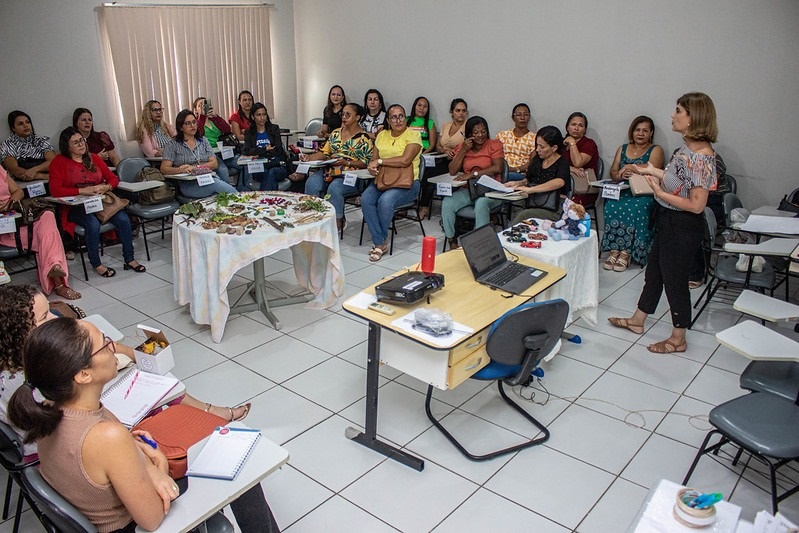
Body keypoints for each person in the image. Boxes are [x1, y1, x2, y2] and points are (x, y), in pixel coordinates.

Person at [8, 317, 279, 532]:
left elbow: (125, 437)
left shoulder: (48, 409)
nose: (113, 346)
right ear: (83, 374)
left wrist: (146, 466)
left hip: (112, 507)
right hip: (135, 524)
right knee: (241, 468)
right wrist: (158, 466)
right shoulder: (104, 437)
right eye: (104, 344)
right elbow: (150, 520)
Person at [0, 285, 250, 458]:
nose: (55, 319)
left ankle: (213, 414)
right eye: (45, 317)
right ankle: (213, 419)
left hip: (72, 444)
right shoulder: (35, 384)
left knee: (155, 389)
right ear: (18, 331)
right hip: (74, 450)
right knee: (156, 393)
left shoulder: (21, 368)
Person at [609, 92, 718, 354]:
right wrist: (650, 171)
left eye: (679, 111)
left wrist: (659, 193)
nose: (673, 115)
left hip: (683, 225)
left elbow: (696, 204)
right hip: (668, 219)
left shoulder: (701, 156)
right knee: (654, 272)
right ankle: (638, 320)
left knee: (675, 281)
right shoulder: (687, 148)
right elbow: (676, 177)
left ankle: (678, 338)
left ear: (693, 118)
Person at [49, 127, 144, 278]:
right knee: (92, 224)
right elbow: (55, 190)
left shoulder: (94, 158)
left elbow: (113, 179)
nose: (81, 145)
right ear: (66, 146)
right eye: (75, 143)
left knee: (123, 219)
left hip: (101, 203)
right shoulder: (59, 162)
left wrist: (106, 186)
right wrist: (82, 191)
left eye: (82, 141)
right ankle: (97, 264)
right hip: (77, 207)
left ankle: (129, 259)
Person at [0, 168, 79, 299]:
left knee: (47, 216)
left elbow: (18, 191)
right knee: (46, 238)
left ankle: (55, 268)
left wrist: (10, 203)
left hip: (18, 219)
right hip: (5, 231)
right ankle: (58, 279)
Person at [602, 116, 665, 272]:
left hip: (645, 192)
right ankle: (615, 250)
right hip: (623, 189)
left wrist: (632, 167)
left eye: (645, 130)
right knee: (611, 205)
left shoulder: (656, 149)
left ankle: (627, 252)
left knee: (638, 207)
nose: (640, 133)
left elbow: (653, 167)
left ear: (651, 133)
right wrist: (620, 175)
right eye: (637, 130)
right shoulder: (622, 148)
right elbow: (614, 172)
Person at [362, 104, 422, 262]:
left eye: (401, 116)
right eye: (394, 117)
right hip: (383, 180)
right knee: (366, 199)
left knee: (385, 201)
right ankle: (381, 241)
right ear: (388, 120)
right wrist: (371, 167)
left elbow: (405, 160)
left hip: (407, 183)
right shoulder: (382, 135)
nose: (398, 120)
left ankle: (379, 242)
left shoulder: (413, 135)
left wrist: (380, 161)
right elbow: (373, 160)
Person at [304, 103, 372, 231]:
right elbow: (324, 152)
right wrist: (309, 158)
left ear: (357, 117)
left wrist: (347, 163)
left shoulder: (364, 138)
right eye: (343, 114)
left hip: (352, 174)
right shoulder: (335, 134)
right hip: (330, 170)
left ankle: (338, 221)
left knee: (335, 188)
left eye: (348, 115)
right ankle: (312, 218)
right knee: (312, 182)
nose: (344, 117)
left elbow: (367, 162)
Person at [441, 116, 505, 249]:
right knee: (447, 202)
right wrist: (463, 150)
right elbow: (452, 171)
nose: (480, 135)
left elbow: (498, 167)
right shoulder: (462, 147)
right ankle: (452, 240)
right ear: (469, 134)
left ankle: (480, 245)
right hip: (469, 190)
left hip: (492, 190)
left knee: (481, 203)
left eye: (483, 131)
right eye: (475, 133)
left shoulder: (494, 145)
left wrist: (473, 174)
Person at [160, 110, 237, 199]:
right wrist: (182, 170)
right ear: (181, 127)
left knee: (220, 193)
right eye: (188, 123)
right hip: (189, 184)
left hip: (207, 178)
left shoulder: (203, 140)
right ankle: (241, 202)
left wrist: (195, 168)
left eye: (194, 122)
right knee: (219, 187)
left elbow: (214, 164)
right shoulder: (173, 144)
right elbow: (164, 169)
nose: (192, 126)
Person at [508, 126, 571, 224]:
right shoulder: (537, 160)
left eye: (542, 147)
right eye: (537, 145)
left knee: (524, 215)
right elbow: (529, 179)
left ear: (554, 148)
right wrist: (518, 183)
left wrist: (531, 190)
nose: (537, 150)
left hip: (554, 208)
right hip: (534, 203)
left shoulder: (562, 163)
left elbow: (559, 182)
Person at [192, 97, 238, 187]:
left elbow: (227, 130)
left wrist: (216, 116)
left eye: (205, 105)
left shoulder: (214, 120)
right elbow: (198, 133)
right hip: (211, 154)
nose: (203, 107)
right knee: (223, 170)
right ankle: (227, 193)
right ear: (196, 110)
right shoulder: (195, 123)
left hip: (223, 152)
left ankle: (243, 187)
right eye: (200, 105)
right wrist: (202, 116)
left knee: (243, 163)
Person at [242, 102, 288, 191]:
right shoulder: (249, 133)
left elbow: (278, 149)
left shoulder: (274, 129)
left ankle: (263, 201)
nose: (262, 118)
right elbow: (246, 151)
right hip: (259, 167)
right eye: (258, 115)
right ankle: (271, 201)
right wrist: (265, 149)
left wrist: (258, 152)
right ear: (252, 117)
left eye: (264, 114)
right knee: (268, 174)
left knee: (271, 172)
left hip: (277, 165)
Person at [0, 111, 56, 182]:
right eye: (20, 124)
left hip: (49, 179)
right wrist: (42, 176)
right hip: (22, 183)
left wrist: (35, 170)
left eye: (27, 122)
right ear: (13, 128)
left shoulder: (40, 140)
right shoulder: (7, 145)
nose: (26, 125)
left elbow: (54, 162)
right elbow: (14, 169)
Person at [563, 111, 599, 206]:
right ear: (567, 127)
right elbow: (554, 164)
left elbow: (578, 163)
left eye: (580, 125)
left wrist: (572, 143)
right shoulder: (562, 143)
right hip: (563, 184)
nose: (576, 128)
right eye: (573, 124)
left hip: (583, 189)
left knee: (567, 204)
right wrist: (570, 169)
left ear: (585, 129)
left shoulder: (589, 144)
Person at [496, 103, 537, 182]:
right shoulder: (502, 135)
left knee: (506, 177)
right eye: (518, 115)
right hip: (502, 170)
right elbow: (495, 156)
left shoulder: (534, 138)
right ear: (513, 118)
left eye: (526, 115)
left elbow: (533, 162)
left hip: (521, 173)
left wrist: (515, 169)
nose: (522, 118)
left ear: (529, 117)